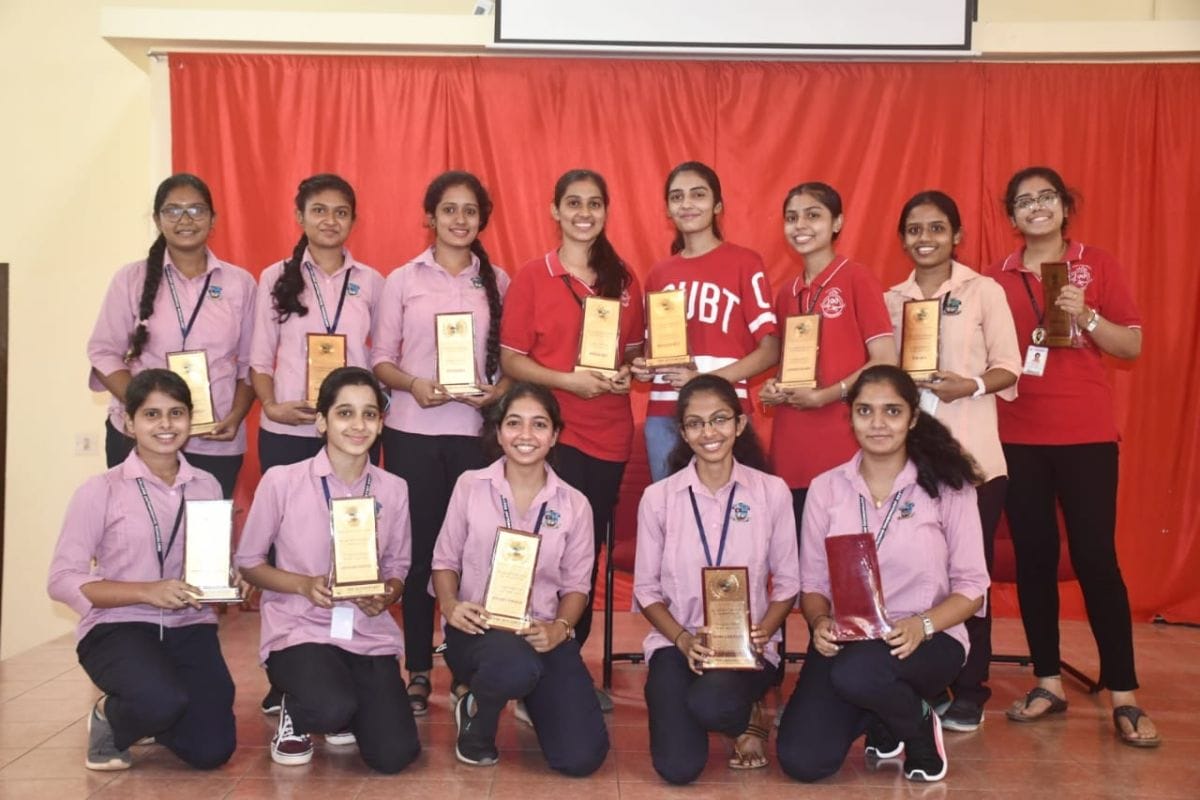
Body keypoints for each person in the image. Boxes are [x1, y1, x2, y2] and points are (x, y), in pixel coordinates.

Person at [985, 166, 1157, 747]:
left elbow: (1131, 344)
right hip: (1017, 436)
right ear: (1012, 216)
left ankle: (1125, 694)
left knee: (1095, 559)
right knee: (1035, 559)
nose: (1036, 207)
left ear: (1064, 207)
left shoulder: (1097, 264)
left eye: (1046, 197)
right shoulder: (995, 279)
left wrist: (1086, 314)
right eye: (1023, 201)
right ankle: (1047, 682)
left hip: (1086, 435)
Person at [776, 365, 990, 784]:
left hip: (925, 638)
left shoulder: (949, 486)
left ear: (912, 417)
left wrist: (921, 625)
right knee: (803, 760)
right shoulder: (825, 488)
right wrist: (819, 621)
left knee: (857, 674)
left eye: (892, 411)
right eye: (865, 411)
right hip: (849, 641)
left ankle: (918, 726)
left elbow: (972, 588)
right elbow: (813, 584)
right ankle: (883, 717)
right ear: (850, 417)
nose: (877, 423)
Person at [500, 168, 645, 709]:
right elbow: (511, 360)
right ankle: (523, 668)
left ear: (606, 211)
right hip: (550, 436)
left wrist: (627, 373)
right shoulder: (532, 276)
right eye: (574, 203)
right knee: (540, 547)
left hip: (608, 435)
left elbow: (634, 351)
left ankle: (566, 662)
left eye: (594, 204)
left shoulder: (623, 278)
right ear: (555, 211)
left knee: (585, 555)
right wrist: (568, 381)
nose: (585, 213)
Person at [48, 369, 236, 772]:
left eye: (176, 413)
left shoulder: (207, 485)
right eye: (152, 414)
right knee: (160, 699)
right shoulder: (101, 489)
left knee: (212, 751)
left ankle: (157, 714)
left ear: (190, 419)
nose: (166, 424)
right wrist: (147, 591)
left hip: (190, 625)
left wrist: (228, 576)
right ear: (129, 423)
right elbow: (62, 580)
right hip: (119, 626)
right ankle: (111, 717)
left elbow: (209, 560)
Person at [371, 170, 510, 716]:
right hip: (412, 432)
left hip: (475, 437)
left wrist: (498, 391)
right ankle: (418, 668)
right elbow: (381, 359)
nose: (459, 220)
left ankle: (464, 667)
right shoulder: (402, 279)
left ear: (482, 220)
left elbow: (509, 360)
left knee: (471, 554)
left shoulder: (498, 280)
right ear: (430, 217)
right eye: (449, 209)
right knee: (418, 552)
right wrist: (413, 385)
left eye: (470, 211)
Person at [235, 367, 420, 773]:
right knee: (328, 706)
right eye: (345, 413)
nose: (358, 425)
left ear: (381, 423)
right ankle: (297, 709)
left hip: (366, 632)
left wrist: (387, 593)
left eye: (369, 414)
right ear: (322, 421)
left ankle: (345, 707)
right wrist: (303, 585)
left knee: (394, 755)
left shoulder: (394, 488)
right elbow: (249, 563)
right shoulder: (282, 481)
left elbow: (398, 566)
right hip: (300, 628)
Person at [884, 190, 1021, 731]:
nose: (926, 238)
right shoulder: (891, 300)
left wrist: (971, 385)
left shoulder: (983, 291)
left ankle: (970, 688)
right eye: (914, 229)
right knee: (919, 575)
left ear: (957, 235)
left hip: (974, 462)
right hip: (910, 465)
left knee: (968, 578)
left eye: (937, 228)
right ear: (903, 238)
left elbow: (1010, 366)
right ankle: (926, 682)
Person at [431, 382, 609, 773]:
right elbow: (444, 560)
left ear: (555, 435)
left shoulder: (575, 504)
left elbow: (577, 587)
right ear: (498, 432)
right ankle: (477, 721)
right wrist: (450, 605)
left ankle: (528, 693)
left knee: (581, 758)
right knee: (512, 666)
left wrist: (561, 628)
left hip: (540, 634)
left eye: (539, 424)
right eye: (514, 423)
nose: (525, 435)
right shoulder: (470, 486)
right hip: (478, 630)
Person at [635, 375, 799, 784]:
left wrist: (765, 631)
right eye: (696, 423)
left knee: (711, 703)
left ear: (740, 424)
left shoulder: (772, 492)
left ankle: (745, 715)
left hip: (747, 648)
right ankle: (722, 711)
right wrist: (682, 639)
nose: (709, 432)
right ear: (683, 432)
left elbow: (788, 581)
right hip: (679, 642)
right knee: (678, 768)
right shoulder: (659, 498)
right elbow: (646, 589)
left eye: (720, 419)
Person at [87, 173, 256, 498]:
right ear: (157, 219)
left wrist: (236, 417)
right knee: (136, 525)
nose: (185, 220)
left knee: (205, 530)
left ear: (213, 219)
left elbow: (251, 363)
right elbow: (103, 353)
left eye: (196, 210)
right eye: (173, 210)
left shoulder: (240, 283)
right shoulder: (130, 279)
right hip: (141, 436)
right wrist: (146, 405)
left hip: (214, 439)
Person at [760, 182, 895, 531]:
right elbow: (791, 365)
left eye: (813, 215)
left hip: (842, 435)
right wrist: (775, 388)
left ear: (837, 222)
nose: (800, 225)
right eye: (792, 217)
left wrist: (827, 395)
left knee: (844, 546)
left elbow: (885, 360)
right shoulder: (786, 293)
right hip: (792, 441)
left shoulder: (857, 278)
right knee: (798, 547)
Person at [633, 161, 779, 483]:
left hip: (724, 410)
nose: (687, 204)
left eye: (698, 195)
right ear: (667, 210)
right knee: (670, 507)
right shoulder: (659, 274)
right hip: (665, 412)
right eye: (677, 197)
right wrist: (644, 367)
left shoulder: (745, 262)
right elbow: (653, 352)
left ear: (718, 205)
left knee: (734, 505)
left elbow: (770, 349)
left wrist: (705, 380)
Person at [250, 173, 383, 474]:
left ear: (353, 221)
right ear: (300, 216)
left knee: (352, 506)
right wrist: (271, 407)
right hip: (289, 426)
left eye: (341, 213)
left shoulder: (372, 281)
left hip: (352, 429)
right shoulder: (275, 277)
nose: (330, 221)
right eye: (319, 210)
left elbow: (382, 357)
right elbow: (260, 358)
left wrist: (374, 408)